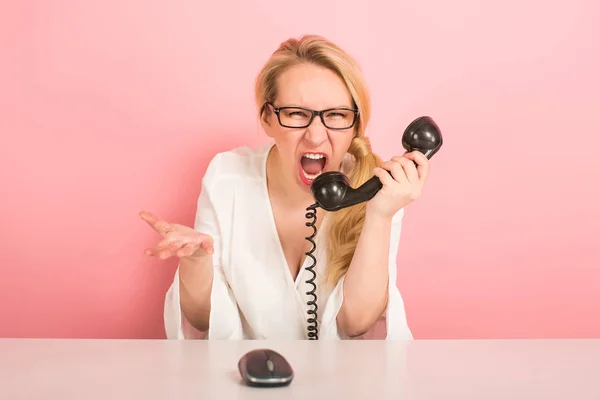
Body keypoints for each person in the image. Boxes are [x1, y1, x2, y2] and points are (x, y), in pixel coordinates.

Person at [139, 35, 431, 340]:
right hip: (249, 380)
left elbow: (355, 324)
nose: (316, 136)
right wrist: (196, 264)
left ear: (356, 124)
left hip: (346, 383)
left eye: (336, 115)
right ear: (267, 118)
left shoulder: (379, 188)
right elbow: (201, 320)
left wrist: (380, 215)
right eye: (296, 114)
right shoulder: (227, 176)